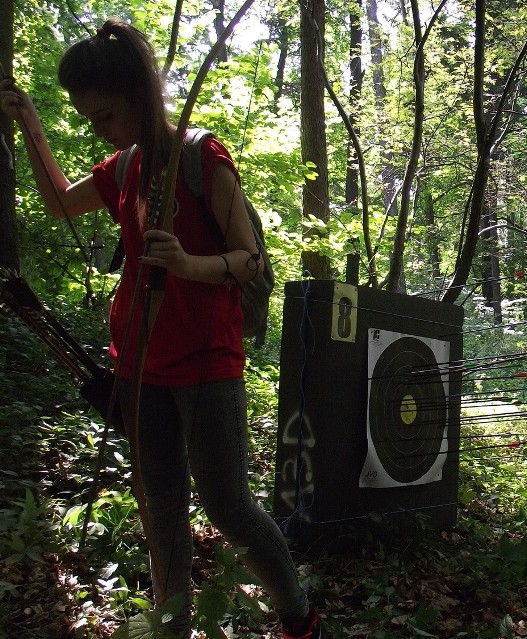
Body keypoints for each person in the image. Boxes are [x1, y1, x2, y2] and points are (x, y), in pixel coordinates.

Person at [1, 19, 325, 639]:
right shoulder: (123, 169)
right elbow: (59, 203)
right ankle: (173, 626)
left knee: (228, 507)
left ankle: (297, 615)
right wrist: (30, 124)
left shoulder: (201, 157)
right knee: (163, 510)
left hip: (206, 361)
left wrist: (184, 264)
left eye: (105, 115)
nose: (100, 128)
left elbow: (250, 257)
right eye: (89, 119)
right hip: (139, 363)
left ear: (140, 97)